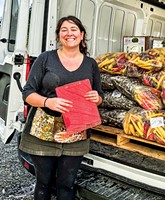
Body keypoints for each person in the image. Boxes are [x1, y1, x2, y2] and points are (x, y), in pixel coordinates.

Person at [19, 15, 104, 200]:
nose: (69, 33)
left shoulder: (91, 64)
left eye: (73, 29)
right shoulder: (46, 58)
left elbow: (99, 96)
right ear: (59, 36)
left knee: (66, 184)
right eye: (64, 30)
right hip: (43, 132)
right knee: (43, 183)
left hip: (77, 132)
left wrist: (96, 98)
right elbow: (27, 93)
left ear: (81, 35)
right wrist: (47, 102)